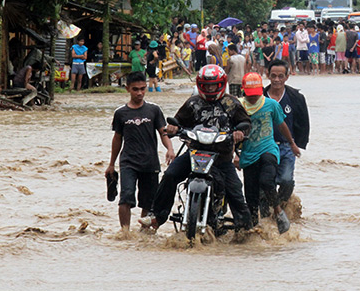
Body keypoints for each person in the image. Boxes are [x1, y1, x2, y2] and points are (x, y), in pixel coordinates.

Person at [139, 65, 253, 231]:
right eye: (206, 85)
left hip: (221, 158)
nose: (210, 88)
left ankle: (246, 229)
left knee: (235, 191)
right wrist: (172, 128)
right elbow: (177, 122)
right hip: (195, 153)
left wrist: (240, 132)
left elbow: (246, 123)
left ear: (221, 84)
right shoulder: (193, 103)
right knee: (170, 175)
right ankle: (156, 216)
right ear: (200, 85)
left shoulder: (231, 103)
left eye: (213, 85)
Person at [106, 72, 175, 230]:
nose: (139, 93)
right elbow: (117, 139)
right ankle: (125, 234)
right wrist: (111, 164)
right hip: (128, 162)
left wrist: (170, 149)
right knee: (125, 198)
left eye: (143, 89)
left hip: (150, 162)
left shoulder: (154, 110)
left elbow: (163, 132)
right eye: (135, 89)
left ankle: (144, 235)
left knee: (149, 202)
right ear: (127, 89)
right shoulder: (121, 113)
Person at [236, 72, 301, 234]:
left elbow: (282, 125)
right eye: (250, 95)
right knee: (250, 196)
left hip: (268, 149)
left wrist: (292, 144)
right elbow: (230, 130)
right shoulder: (237, 106)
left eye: (256, 95)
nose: (253, 99)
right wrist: (234, 154)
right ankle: (253, 231)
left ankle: (278, 211)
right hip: (248, 153)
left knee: (266, 180)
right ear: (243, 91)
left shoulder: (271, 105)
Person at [264, 59, 310, 211]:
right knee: (265, 182)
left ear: (287, 77)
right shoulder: (260, 96)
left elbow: (303, 122)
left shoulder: (295, 97)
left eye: (280, 76)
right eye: (273, 76)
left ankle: (282, 206)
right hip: (264, 147)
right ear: (267, 75)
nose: (277, 79)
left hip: (287, 146)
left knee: (286, 180)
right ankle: (267, 209)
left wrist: (297, 144)